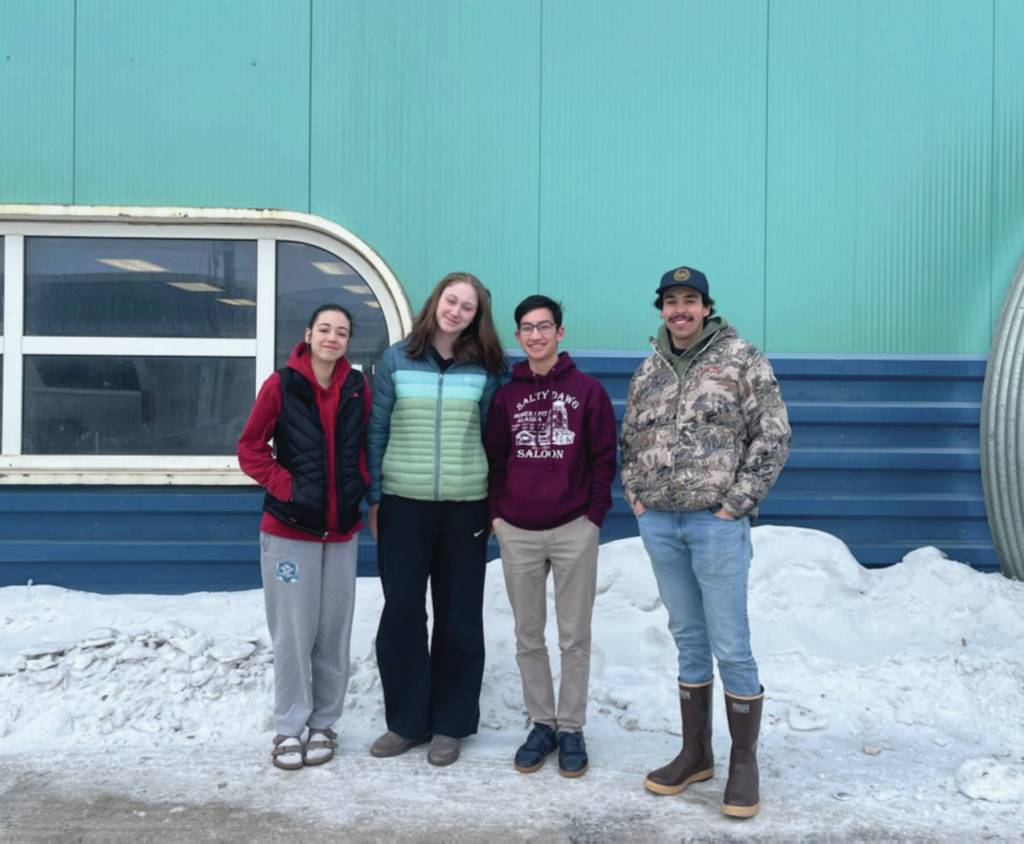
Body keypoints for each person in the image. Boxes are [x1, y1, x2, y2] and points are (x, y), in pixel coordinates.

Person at [620, 267, 790, 818]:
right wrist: (637, 498)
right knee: (689, 639)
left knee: (731, 644)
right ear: (661, 310)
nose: (680, 310)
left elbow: (773, 434)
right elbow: (630, 441)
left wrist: (735, 503)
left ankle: (743, 761)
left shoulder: (741, 358)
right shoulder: (648, 371)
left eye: (689, 300)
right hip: (661, 524)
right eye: (671, 301)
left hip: (716, 524)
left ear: (706, 307)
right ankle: (696, 753)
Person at [366, 271, 505, 767]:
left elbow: (494, 439)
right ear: (436, 301)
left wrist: (493, 505)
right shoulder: (396, 359)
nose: (456, 312)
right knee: (402, 612)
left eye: (468, 307)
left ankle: (450, 723)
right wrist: (376, 498)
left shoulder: (488, 367)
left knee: (460, 616)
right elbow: (377, 429)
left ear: (476, 317)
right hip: (403, 504)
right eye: (451, 300)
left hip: (466, 506)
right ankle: (406, 722)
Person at [484, 295, 616, 778]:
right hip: (517, 531)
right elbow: (495, 461)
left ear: (560, 333)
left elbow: (604, 459)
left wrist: (593, 516)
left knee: (574, 636)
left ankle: (571, 728)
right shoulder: (506, 397)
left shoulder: (588, 392)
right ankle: (542, 723)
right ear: (518, 336)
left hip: (573, 528)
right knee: (527, 634)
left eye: (544, 327)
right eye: (527, 328)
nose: (535, 335)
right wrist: (497, 517)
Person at [237, 304, 371, 770]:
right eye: (325, 329)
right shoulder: (282, 385)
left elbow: (363, 447)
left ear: (348, 341)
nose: (333, 338)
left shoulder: (357, 387)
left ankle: (324, 724)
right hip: (290, 530)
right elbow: (250, 449)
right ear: (309, 334)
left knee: (333, 633)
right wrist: (287, 487)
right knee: (294, 635)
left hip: (341, 532)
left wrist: (360, 485)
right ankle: (289, 727)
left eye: (342, 332)